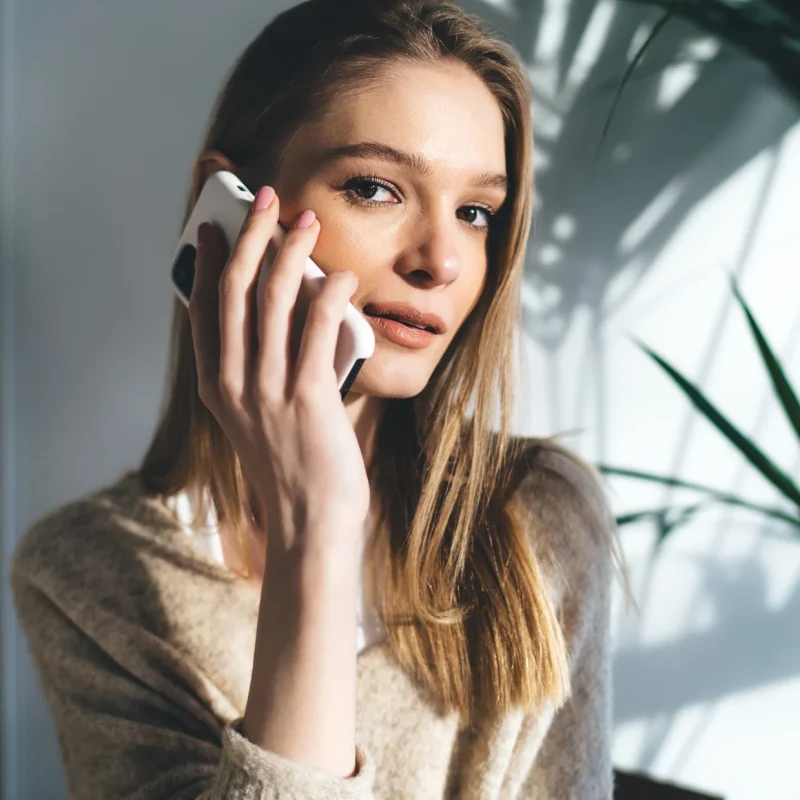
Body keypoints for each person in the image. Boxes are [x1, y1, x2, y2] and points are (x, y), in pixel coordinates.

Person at [11, 1, 629, 797]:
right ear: (223, 209)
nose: (442, 258)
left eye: (476, 211)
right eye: (374, 188)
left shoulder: (538, 521)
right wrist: (317, 521)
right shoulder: (86, 580)